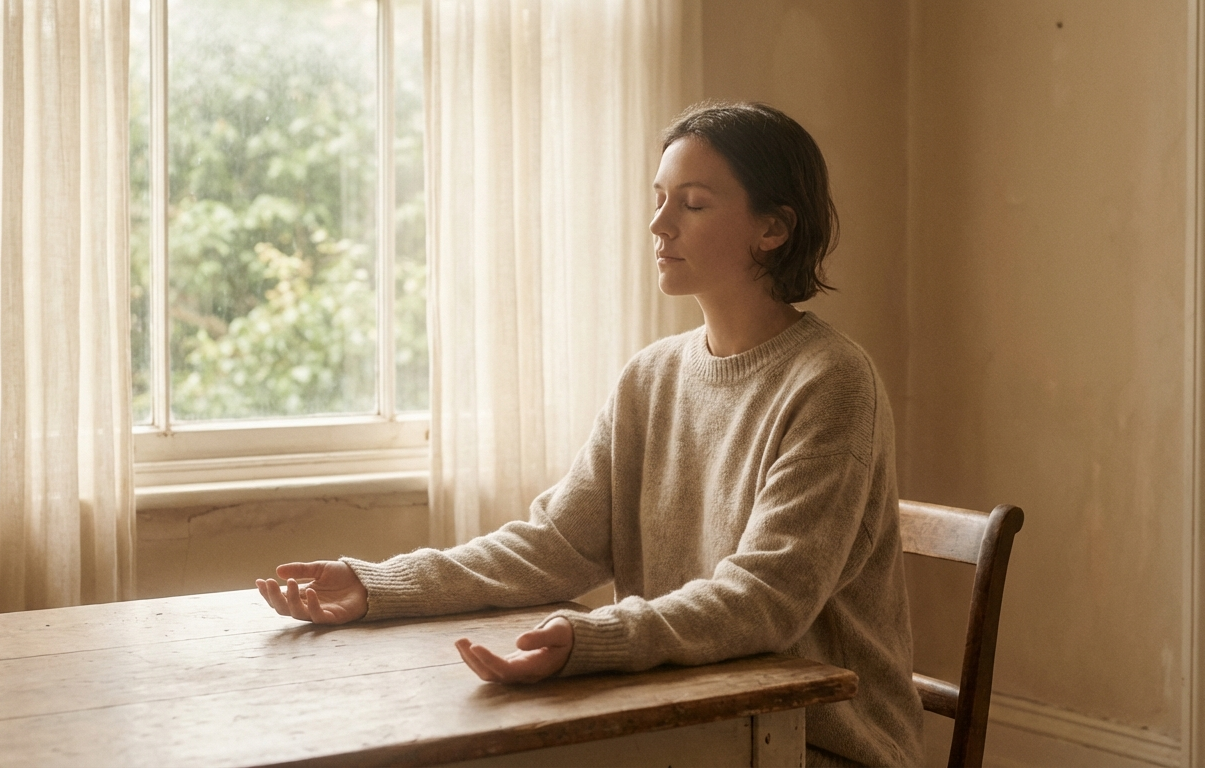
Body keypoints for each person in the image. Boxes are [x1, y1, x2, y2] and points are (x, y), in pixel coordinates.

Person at [256, 101, 925, 767]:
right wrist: (376, 585)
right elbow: (552, 546)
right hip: (684, 719)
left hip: (817, 743)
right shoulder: (652, 376)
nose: (659, 225)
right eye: (659, 199)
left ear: (772, 229)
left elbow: (765, 601)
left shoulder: (833, 382)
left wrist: (595, 638)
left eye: (692, 204)